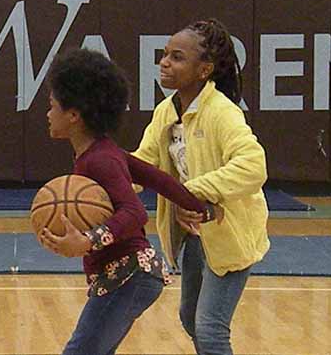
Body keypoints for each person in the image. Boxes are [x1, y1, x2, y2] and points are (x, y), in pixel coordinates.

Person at [38, 48, 220, 355]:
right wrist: (201, 207)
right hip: (128, 275)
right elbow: (158, 179)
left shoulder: (100, 160)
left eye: (52, 106)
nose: (47, 113)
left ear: (73, 115)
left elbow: (135, 212)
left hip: (128, 275)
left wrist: (86, 240)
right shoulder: (104, 151)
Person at [130, 18, 269, 355]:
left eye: (177, 57)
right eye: (164, 54)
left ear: (204, 69)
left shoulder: (222, 113)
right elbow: (143, 165)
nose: (164, 62)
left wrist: (190, 192)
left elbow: (254, 166)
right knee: (190, 317)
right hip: (196, 235)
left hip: (231, 233)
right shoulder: (166, 111)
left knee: (209, 329)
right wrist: (102, 182)